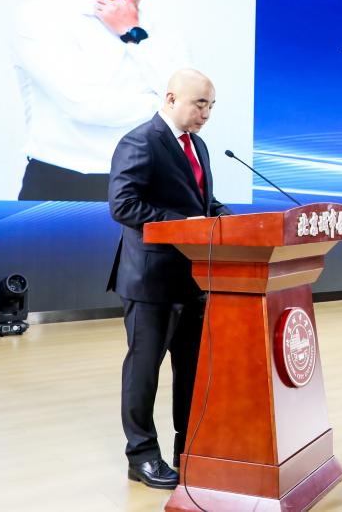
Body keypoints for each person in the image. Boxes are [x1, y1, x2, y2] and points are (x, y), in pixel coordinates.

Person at [107, 68, 231, 490]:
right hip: (151, 280)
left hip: (192, 279)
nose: (206, 114)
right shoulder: (141, 141)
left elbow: (201, 202)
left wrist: (224, 218)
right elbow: (124, 205)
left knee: (192, 370)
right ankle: (141, 456)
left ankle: (189, 449)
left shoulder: (198, 145)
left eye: (211, 106)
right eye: (200, 104)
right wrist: (184, 224)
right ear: (172, 98)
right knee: (144, 371)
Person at [13, 0, 184, 201]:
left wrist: (131, 30)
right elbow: (88, 106)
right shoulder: (42, 16)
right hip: (63, 182)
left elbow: (187, 107)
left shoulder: (166, 32)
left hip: (151, 182)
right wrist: (161, 104)